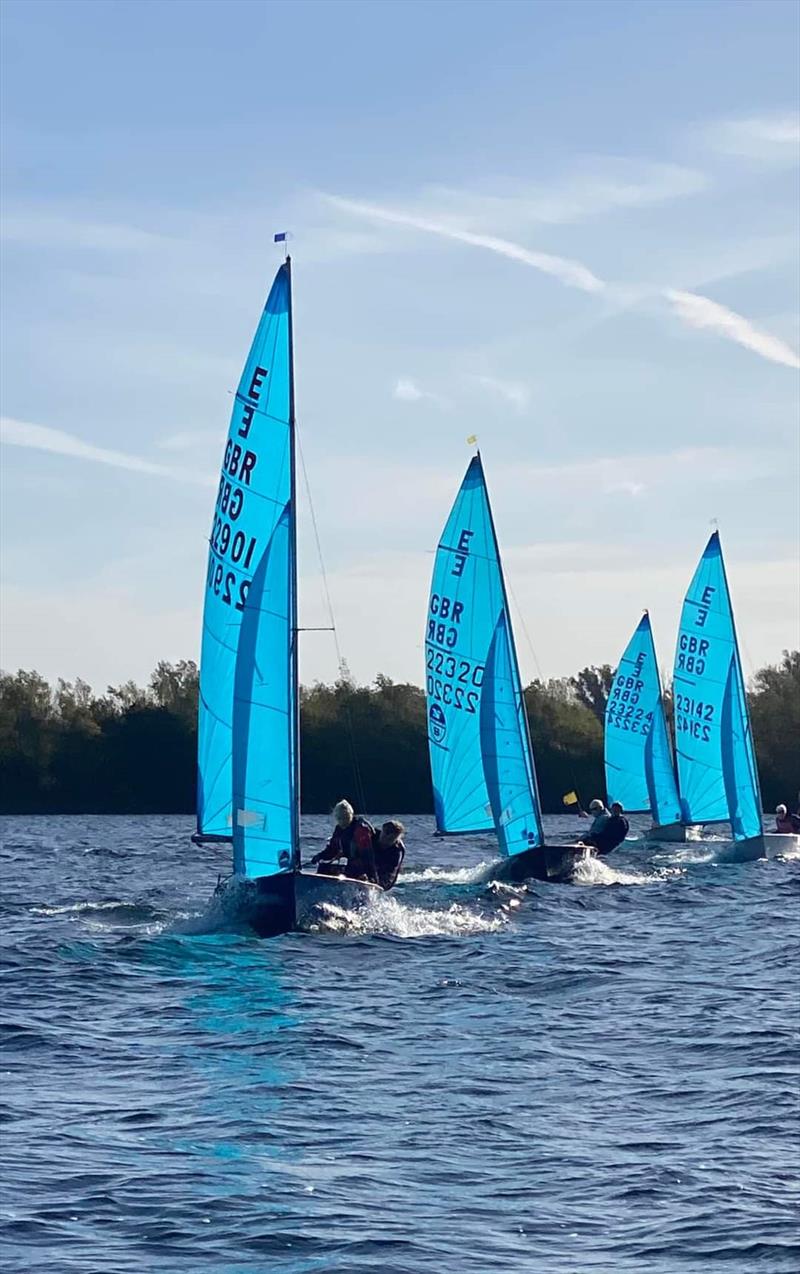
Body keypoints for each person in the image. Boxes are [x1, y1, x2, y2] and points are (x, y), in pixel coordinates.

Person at [310, 800, 377, 882]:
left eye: (346, 817)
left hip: (363, 867)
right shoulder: (339, 830)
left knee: (354, 867)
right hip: (350, 865)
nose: (342, 820)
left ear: (351, 815)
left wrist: (372, 877)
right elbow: (332, 850)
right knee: (323, 868)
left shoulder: (361, 830)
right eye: (339, 818)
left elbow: (368, 855)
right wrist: (319, 856)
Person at [372, 820, 406, 891]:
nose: (386, 840)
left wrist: (375, 880)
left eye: (390, 839)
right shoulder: (371, 834)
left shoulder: (397, 851)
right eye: (385, 835)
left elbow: (390, 874)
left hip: (386, 876)